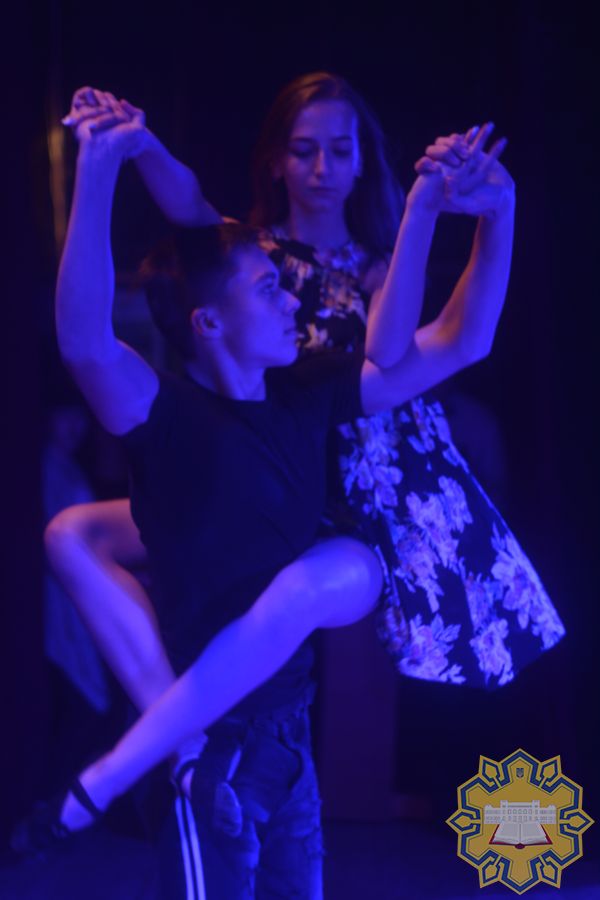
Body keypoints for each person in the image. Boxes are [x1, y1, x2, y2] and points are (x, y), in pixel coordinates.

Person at [21, 84, 515, 899]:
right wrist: (108, 161)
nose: (294, 301)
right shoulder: (165, 411)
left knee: (322, 574)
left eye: (341, 150)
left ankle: (148, 747)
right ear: (210, 322)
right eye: (268, 290)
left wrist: (496, 213)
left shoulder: (315, 388)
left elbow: (460, 340)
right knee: (70, 531)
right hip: (223, 744)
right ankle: (157, 747)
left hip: (291, 724)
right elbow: (85, 335)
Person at [53, 75, 564, 709]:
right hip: (279, 445)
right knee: (80, 532)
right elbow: (184, 204)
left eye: (341, 150)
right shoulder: (253, 255)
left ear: (363, 161)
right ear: (275, 160)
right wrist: (136, 143)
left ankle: (191, 726)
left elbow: (413, 346)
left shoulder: (377, 264)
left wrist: (461, 210)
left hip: (361, 440)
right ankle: (176, 721)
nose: (323, 168)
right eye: (303, 150)